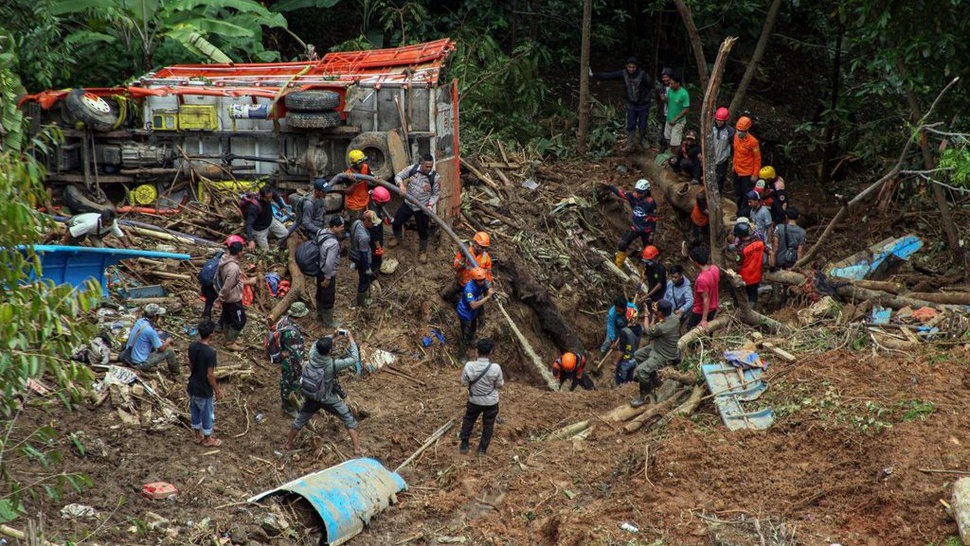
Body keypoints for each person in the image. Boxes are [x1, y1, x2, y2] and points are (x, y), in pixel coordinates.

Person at [286, 332, 364, 455]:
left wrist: (332, 335)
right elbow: (355, 358)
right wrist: (350, 338)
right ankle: (357, 448)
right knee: (348, 418)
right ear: (330, 351)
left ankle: (289, 444)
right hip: (327, 398)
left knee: (300, 420)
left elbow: (316, 343)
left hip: (311, 396)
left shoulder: (312, 355)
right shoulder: (332, 364)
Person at [591, 56, 655, 152]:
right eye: (629, 67)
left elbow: (650, 85)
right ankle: (630, 143)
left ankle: (643, 140)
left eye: (633, 67)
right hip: (631, 104)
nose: (631, 69)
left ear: (637, 67)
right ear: (626, 66)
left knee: (642, 124)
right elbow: (609, 75)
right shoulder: (624, 73)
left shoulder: (643, 75)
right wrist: (594, 75)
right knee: (631, 124)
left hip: (643, 104)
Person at [389, 154, 440, 264]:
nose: (429, 168)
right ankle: (397, 239)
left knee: (423, 231)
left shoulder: (434, 177)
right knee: (396, 222)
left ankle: (423, 251)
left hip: (422, 208)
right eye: (427, 166)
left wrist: (430, 205)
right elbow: (398, 176)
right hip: (408, 203)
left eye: (431, 166)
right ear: (421, 163)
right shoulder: (412, 169)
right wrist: (401, 186)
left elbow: (436, 194)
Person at [630, 300, 682, 407]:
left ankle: (644, 397)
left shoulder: (661, 328)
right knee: (638, 355)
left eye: (657, 310)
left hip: (663, 354)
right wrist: (657, 315)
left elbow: (648, 331)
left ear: (661, 313)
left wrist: (646, 316)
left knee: (641, 370)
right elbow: (662, 321)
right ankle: (652, 377)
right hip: (660, 346)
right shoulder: (674, 318)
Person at [459, 338, 504, 456]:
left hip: (474, 400)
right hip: (491, 402)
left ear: (477, 351)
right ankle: (482, 449)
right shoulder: (496, 368)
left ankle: (464, 444)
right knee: (488, 424)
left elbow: (463, 382)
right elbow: (499, 385)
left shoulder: (469, 366)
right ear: (491, 352)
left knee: (469, 420)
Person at [215, 240, 256, 351]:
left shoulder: (225, 258)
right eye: (242, 251)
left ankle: (228, 337)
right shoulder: (233, 268)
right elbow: (228, 286)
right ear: (238, 253)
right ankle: (230, 342)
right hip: (232, 298)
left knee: (228, 318)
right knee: (240, 320)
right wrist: (220, 299)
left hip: (228, 298)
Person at [607, 179, 658, 268]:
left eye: (640, 192)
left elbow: (654, 219)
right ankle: (618, 265)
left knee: (648, 253)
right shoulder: (633, 197)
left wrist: (652, 233)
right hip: (635, 228)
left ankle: (646, 273)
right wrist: (609, 186)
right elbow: (621, 193)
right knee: (623, 244)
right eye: (637, 191)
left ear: (646, 192)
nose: (638, 194)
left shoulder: (651, 203)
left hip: (647, 230)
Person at [187, 320, 222, 447]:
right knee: (207, 414)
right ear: (212, 334)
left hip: (192, 385)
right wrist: (217, 390)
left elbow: (190, 364)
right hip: (204, 389)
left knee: (195, 411)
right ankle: (208, 439)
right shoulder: (210, 353)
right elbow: (210, 375)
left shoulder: (192, 346)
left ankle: (197, 436)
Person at [266, 313, 306, 415]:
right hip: (291, 363)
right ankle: (288, 407)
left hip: (287, 360)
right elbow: (295, 352)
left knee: (287, 382)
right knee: (289, 384)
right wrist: (299, 366)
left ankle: (290, 403)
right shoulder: (292, 333)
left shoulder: (284, 321)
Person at [123, 303, 179, 374]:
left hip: (130, 358)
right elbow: (160, 349)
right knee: (169, 351)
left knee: (158, 342)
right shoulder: (150, 331)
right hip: (139, 364)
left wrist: (160, 340)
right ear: (155, 316)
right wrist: (168, 341)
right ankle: (176, 374)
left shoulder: (139, 321)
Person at [442, 231, 493, 303]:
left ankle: (461, 301)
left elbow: (487, 273)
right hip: (460, 282)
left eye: (484, 247)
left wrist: (488, 289)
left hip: (473, 287)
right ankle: (457, 298)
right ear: (475, 243)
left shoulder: (484, 256)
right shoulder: (465, 251)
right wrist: (463, 259)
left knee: (469, 305)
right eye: (480, 246)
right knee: (444, 295)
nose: (482, 249)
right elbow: (456, 267)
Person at [316, 216, 345, 328]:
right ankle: (328, 321)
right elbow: (329, 262)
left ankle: (320, 313)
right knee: (328, 296)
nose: (343, 228)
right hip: (326, 272)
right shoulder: (333, 243)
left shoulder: (321, 231)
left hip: (318, 268)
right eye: (341, 227)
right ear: (334, 227)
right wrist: (328, 278)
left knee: (320, 291)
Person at [457, 267, 494, 352]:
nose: (482, 282)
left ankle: (472, 339)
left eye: (483, 279)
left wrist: (488, 291)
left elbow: (485, 290)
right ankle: (461, 354)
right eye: (480, 280)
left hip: (473, 312)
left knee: (473, 327)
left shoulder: (482, 283)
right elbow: (473, 305)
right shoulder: (469, 289)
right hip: (465, 313)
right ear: (474, 280)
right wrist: (488, 297)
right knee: (466, 335)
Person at [685, 246, 720, 331]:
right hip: (713, 308)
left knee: (691, 330)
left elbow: (706, 299)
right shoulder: (714, 268)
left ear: (696, 262)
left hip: (700, 311)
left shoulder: (702, 279)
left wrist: (704, 319)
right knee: (708, 331)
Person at [245, 186, 289, 251]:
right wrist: (250, 240)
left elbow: (276, 197)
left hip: (270, 221)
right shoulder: (254, 207)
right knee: (266, 251)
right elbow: (249, 224)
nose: (269, 200)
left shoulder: (269, 194)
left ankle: (269, 235)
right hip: (260, 229)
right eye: (267, 198)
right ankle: (259, 237)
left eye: (270, 197)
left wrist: (282, 206)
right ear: (262, 196)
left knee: (285, 234)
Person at [349, 210, 378, 307]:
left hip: (353, 253)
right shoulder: (364, 237)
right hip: (360, 258)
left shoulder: (356, 223)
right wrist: (367, 268)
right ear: (366, 221)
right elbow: (364, 254)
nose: (373, 225)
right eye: (372, 223)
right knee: (364, 280)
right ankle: (362, 301)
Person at [61, 209, 132, 248]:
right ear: (102, 219)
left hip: (95, 232)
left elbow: (120, 235)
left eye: (110, 222)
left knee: (100, 249)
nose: (109, 224)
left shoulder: (113, 223)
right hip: (76, 223)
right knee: (76, 240)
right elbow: (70, 232)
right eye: (106, 222)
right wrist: (64, 245)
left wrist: (127, 246)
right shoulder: (90, 224)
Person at [732, 116, 761, 208]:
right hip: (737, 170)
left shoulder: (753, 142)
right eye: (738, 130)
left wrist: (755, 174)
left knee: (746, 194)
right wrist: (734, 165)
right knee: (737, 192)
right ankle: (738, 209)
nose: (739, 132)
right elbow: (736, 152)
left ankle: (743, 212)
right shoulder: (735, 137)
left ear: (746, 130)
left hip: (747, 173)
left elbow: (757, 158)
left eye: (741, 130)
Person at [735, 222, 767, 308]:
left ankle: (745, 310)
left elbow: (738, 264)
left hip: (745, 277)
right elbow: (768, 250)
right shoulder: (759, 242)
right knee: (753, 293)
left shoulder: (741, 249)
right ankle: (752, 308)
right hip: (757, 274)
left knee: (741, 293)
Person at [661, 71, 690, 156]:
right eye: (670, 83)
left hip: (678, 121)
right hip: (669, 118)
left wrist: (676, 119)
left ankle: (676, 157)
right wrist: (664, 99)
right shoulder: (670, 90)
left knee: (675, 142)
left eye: (672, 84)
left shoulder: (684, 94)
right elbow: (670, 101)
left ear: (678, 83)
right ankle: (670, 154)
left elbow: (686, 110)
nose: (670, 85)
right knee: (667, 138)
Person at [614, 307, 643, 386]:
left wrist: (615, 363)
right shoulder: (639, 328)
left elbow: (621, 350)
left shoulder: (624, 331)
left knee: (620, 383)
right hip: (634, 360)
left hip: (625, 361)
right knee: (629, 382)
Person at [367, 186, 392, 274]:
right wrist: (378, 246)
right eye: (383, 203)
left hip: (375, 223)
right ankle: (374, 270)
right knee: (375, 253)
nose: (385, 204)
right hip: (373, 233)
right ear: (378, 201)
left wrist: (383, 219)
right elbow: (374, 232)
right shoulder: (373, 213)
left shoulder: (372, 196)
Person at [710, 107, 735, 193]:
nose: (719, 122)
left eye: (722, 120)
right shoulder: (710, 128)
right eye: (718, 120)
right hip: (711, 157)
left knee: (720, 178)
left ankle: (718, 194)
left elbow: (733, 145)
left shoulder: (730, 131)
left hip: (723, 159)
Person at [343, 149, 372, 223]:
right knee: (356, 225)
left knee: (367, 223)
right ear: (353, 164)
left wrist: (375, 180)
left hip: (365, 201)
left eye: (363, 161)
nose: (362, 164)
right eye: (360, 162)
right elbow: (346, 191)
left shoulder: (365, 167)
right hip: (354, 206)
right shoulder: (347, 174)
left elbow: (371, 181)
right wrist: (354, 184)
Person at [656, 68, 673, 149]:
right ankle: (662, 148)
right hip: (663, 113)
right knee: (662, 132)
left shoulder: (675, 88)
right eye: (663, 77)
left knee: (670, 133)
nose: (665, 79)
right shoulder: (661, 88)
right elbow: (660, 100)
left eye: (667, 77)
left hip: (673, 113)